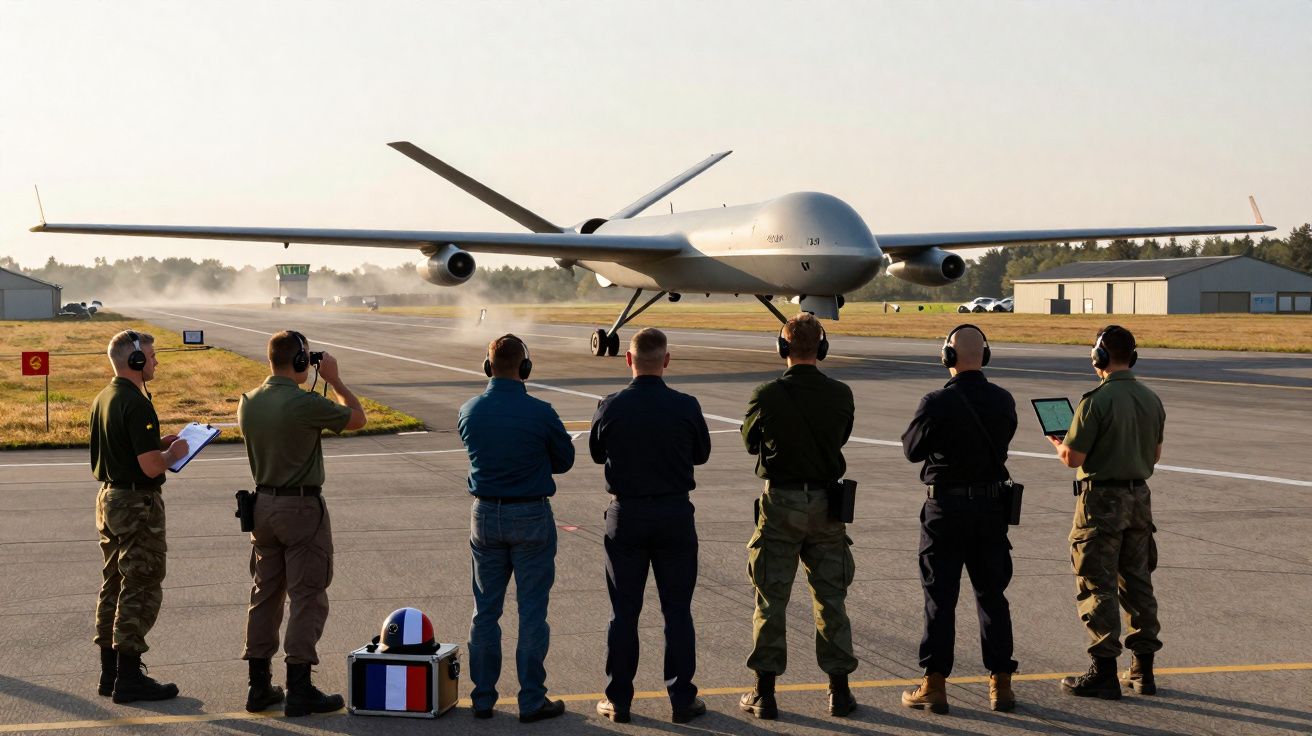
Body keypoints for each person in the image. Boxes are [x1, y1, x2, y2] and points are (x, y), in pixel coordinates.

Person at [237, 331, 365, 716]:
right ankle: (300, 686)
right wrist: (334, 380)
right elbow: (357, 418)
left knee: (265, 595)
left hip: (262, 506)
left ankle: (258, 686)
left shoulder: (249, 402)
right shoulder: (304, 403)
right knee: (307, 596)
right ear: (298, 362)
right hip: (300, 508)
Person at [589, 328, 711, 724]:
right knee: (677, 611)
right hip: (674, 514)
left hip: (627, 515)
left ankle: (619, 698)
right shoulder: (686, 405)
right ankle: (681, 698)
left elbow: (595, 452)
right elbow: (702, 453)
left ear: (629, 360)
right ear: (666, 360)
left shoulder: (612, 405)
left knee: (623, 612)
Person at [739, 313, 858, 719]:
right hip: (827, 506)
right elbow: (839, 437)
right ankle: (839, 691)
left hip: (782, 504)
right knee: (831, 599)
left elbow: (748, 439)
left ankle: (764, 692)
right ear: (821, 349)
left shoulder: (767, 393)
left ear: (783, 347)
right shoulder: (841, 393)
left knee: (771, 598)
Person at [900, 324, 1018, 714]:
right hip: (990, 510)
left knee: (939, 597)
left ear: (948, 358)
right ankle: (1000, 684)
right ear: (984, 356)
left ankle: (934, 683)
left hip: (945, 510)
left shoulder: (936, 401)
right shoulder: (1003, 400)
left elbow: (912, 450)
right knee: (992, 597)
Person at [459, 335, 575, 723]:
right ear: (524, 368)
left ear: (487, 366)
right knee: (531, 612)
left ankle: (483, 698)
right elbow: (564, 461)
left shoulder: (469, 410)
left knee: (485, 612)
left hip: (485, 515)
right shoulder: (541, 412)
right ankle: (531, 699)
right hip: (529, 514)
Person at [1047, 325, 1165, 699]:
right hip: (1139, 501)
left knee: (1097, 584)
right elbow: (1155, 455)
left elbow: (1073, 458)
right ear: (1133, 356)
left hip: (1101, 503)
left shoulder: (1095, 401)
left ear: (1098, 357)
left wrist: (1058, 443)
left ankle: (1103, 671)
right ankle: (1143, 670)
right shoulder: (1151, 398)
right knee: (1138, 582)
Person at [91, 330, 190, 703]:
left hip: (109, 497)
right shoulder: (135, 402)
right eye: (151, 356)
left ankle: (110, 672)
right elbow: (150, 468)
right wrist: (173, 454)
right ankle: (129, 678)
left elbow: (130, 449)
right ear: (134, 361)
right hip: (136, 503)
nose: (156, 361)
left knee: (114, 582)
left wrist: (158, 444)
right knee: (142, 583)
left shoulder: (106, 397)